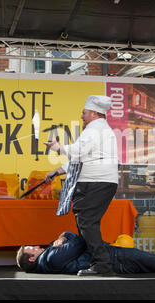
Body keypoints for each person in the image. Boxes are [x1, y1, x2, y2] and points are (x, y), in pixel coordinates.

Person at [44, 95, 119, 276]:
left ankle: (102, 264)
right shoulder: (100, 129)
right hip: (100, 182)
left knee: (86, 222)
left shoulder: (94, 129)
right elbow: (82, 157)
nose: (82, 115)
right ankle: (93, 262)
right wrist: (57, 171)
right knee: (87, 223)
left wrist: (58, 148)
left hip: (95, 183)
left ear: (94, 113)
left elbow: (79, 151)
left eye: (84, 112)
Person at [16, 232, 155, 275]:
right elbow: (81, 240)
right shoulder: (51, 258)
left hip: (114, 259)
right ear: (32, 258)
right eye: (31, 248)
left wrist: (62, 237)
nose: (35, 245)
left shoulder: (49, 258)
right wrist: (65, 237)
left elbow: (75, 242)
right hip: (115, 259)